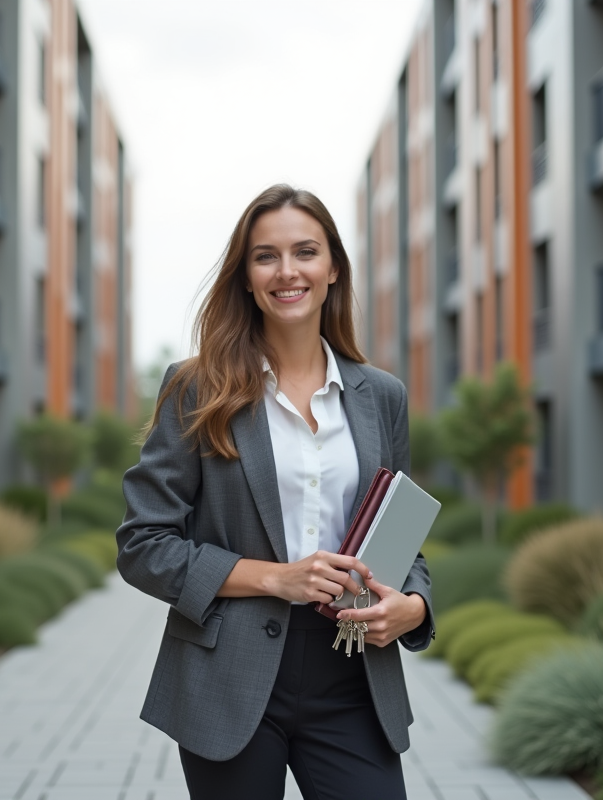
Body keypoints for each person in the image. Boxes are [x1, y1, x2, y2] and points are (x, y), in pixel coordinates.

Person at [116, 184, 434, 800]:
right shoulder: (197, 388)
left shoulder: (381, 397)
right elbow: (142, 545)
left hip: (353, 674)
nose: (287, 271)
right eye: (266, 256)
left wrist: (414, 608)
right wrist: (274, 577)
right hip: (227, 676)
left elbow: (401, 541)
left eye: (305, 252)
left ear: (333, 266)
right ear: (246, 276)